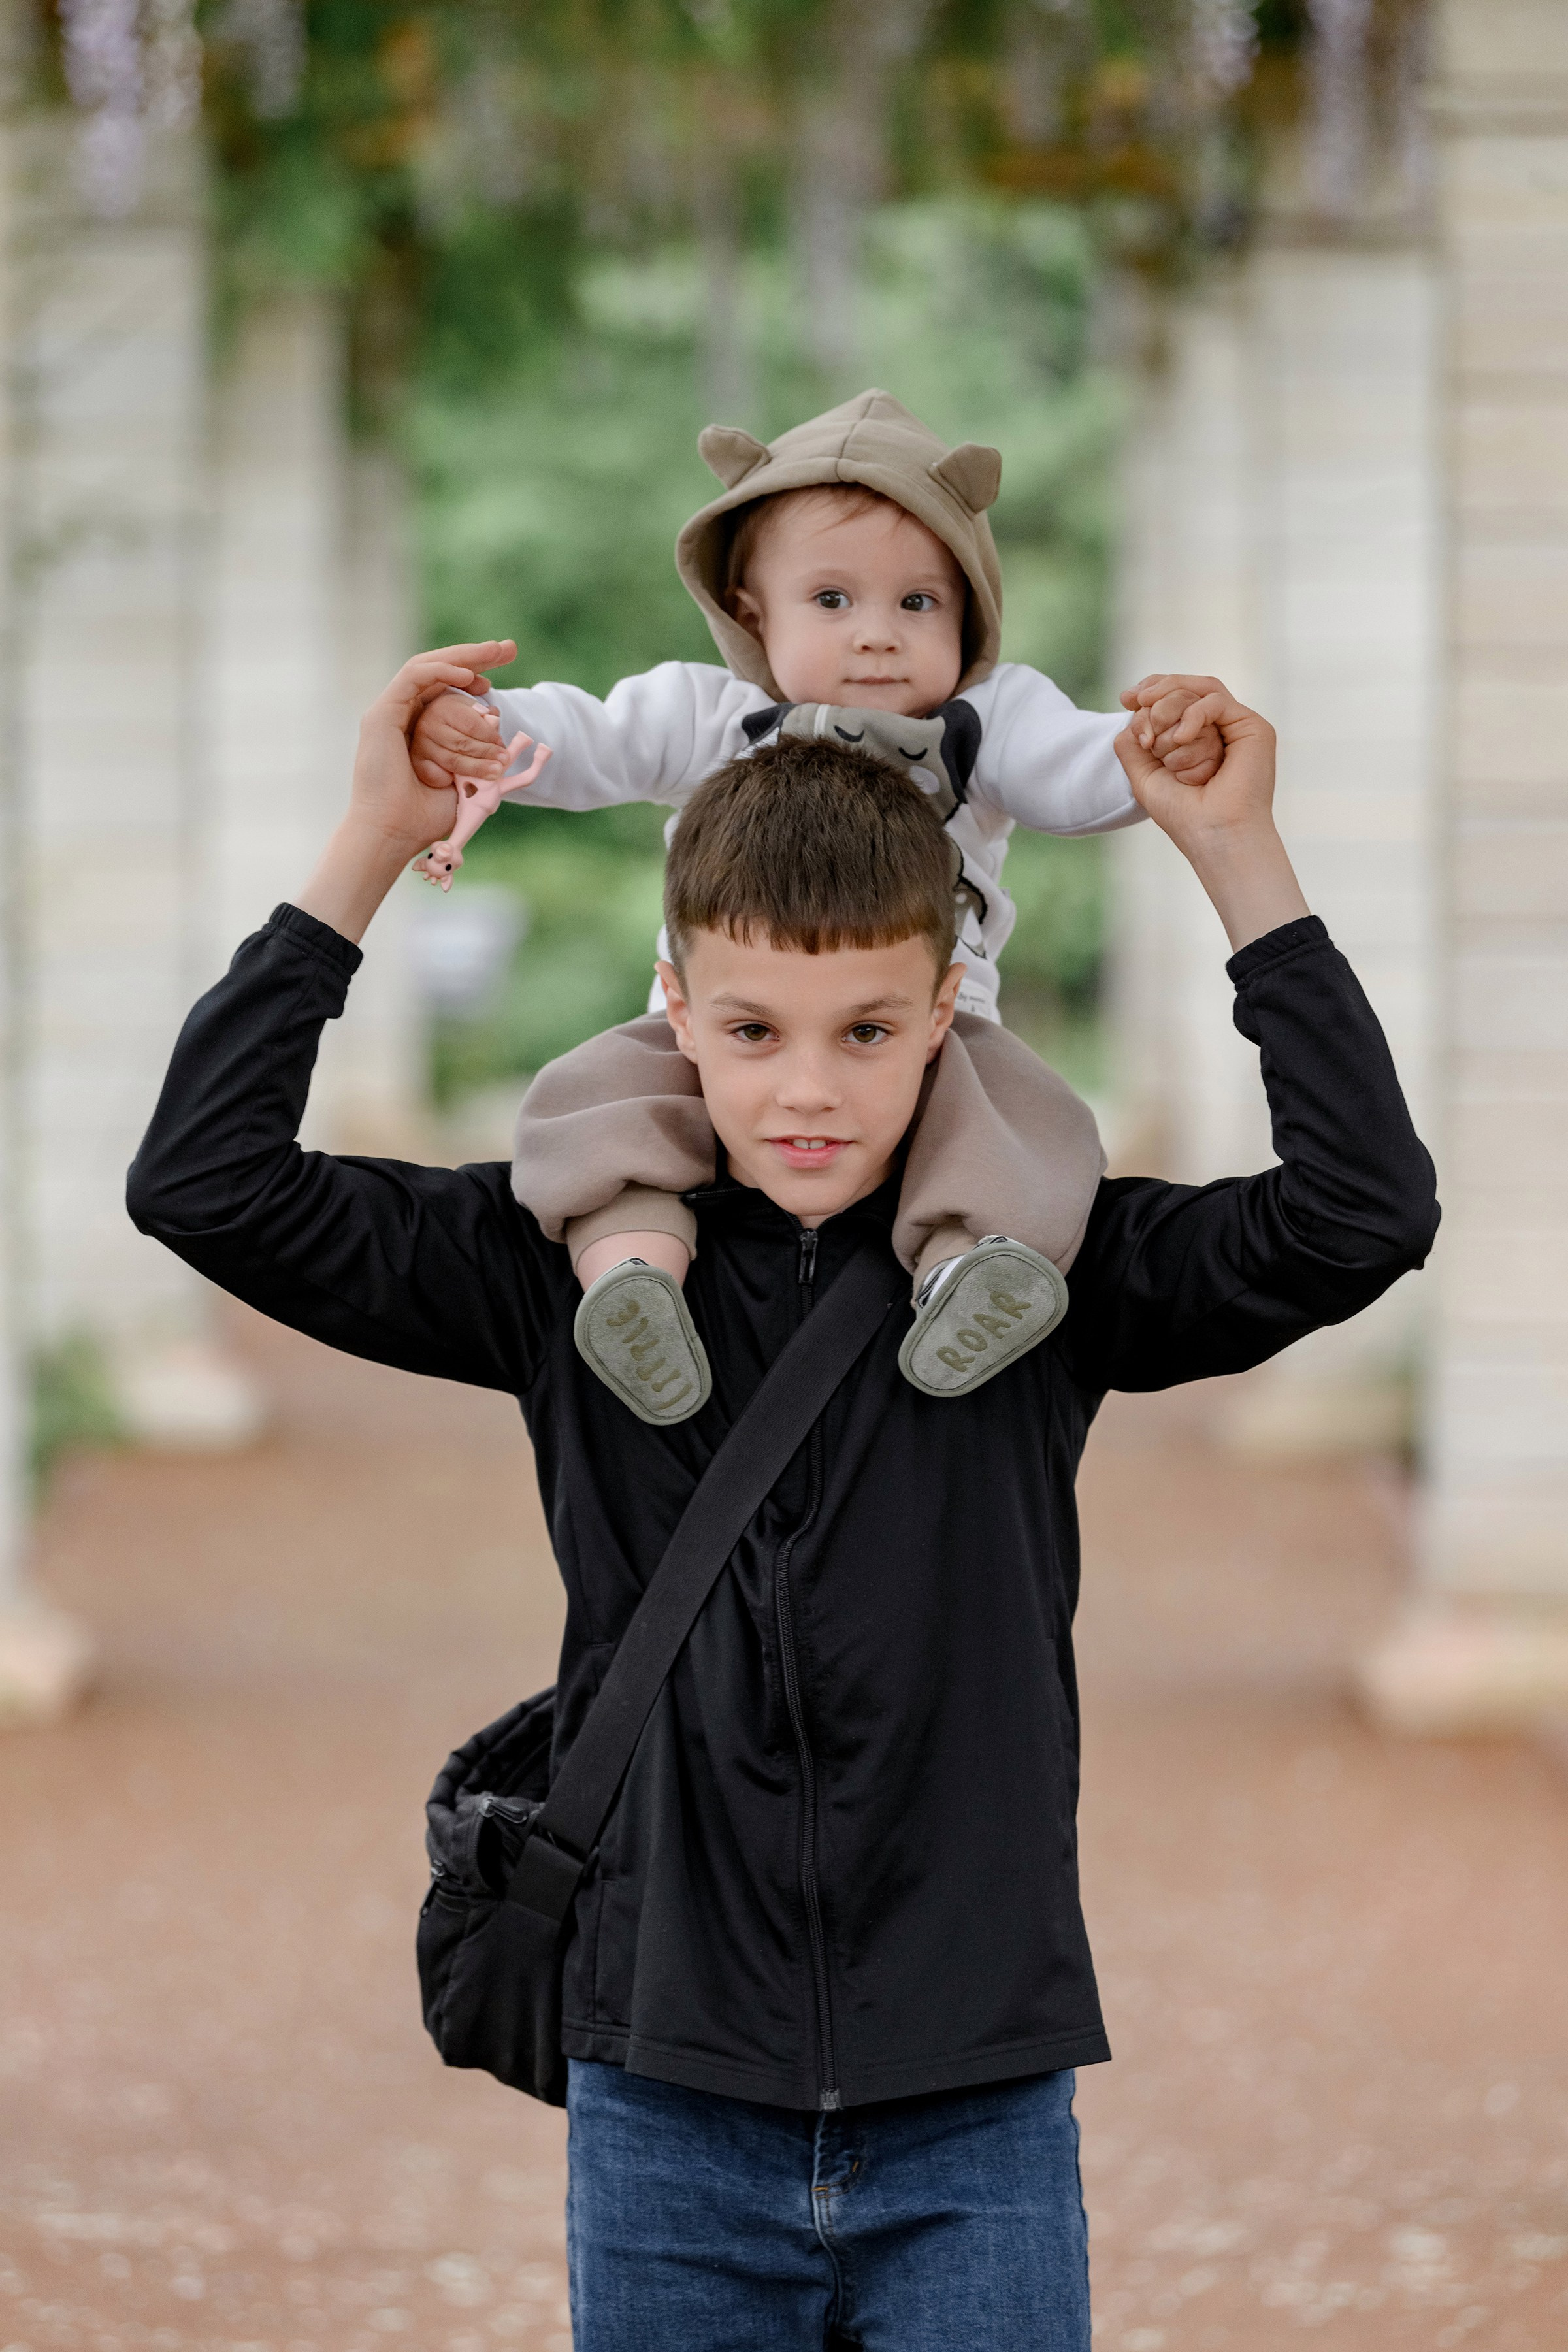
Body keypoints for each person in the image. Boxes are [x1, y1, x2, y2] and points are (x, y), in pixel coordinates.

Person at [127, 644, 1437, 2352]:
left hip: (976, 2101)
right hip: (667, 2091)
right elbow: (204, 1184)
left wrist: (1240, 864)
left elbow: (1362, 1217)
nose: (807, 1090)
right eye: (753, 1030)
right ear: (673, 1002)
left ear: (947, 1012)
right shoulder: (548, 1267)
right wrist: (370, 847)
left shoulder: (1044, 1278)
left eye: (868, 1032)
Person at [402, 389, 1227, 1420]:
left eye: (917, 604)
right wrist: (476, 727)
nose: (877, 637)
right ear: (753, 613)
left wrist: (1154, 751)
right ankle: (632, 1279)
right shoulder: (710, 715)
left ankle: (966, 1279)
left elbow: (1077, 772)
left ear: (968, 613)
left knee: (1020, 1126)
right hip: (716, 1028)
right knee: (609, 1105)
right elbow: (587, 734)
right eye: (832, 601)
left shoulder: (991, 725)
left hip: (933, 1034)